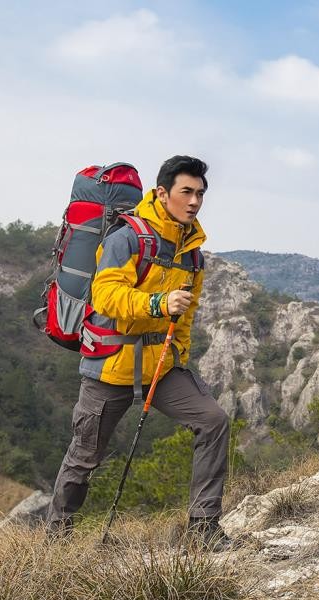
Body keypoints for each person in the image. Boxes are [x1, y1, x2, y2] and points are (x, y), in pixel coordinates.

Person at [47, 155, 231, 550]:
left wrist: (178, 351)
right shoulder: (126, 238)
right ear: (162, 193)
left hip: (161, 367)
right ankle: (55, 545)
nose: (195, 201)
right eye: (187, 192)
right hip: (110, 365)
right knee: (83, 457)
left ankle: (203, 529)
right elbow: (106, 294)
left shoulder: (192, 251)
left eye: (200, 193)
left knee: (213, 421)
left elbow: (186, 314)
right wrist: (157, 304)